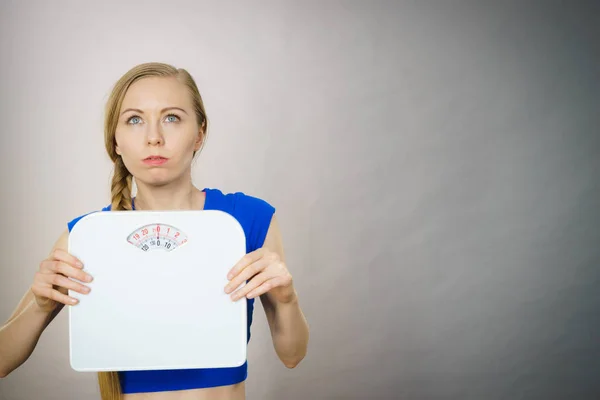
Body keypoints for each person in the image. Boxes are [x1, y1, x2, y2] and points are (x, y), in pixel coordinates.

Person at [0, 62, 310, 399]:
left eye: (172, 117)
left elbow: (292, 356)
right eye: (134, 120)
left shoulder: (248, 220)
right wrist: (41, 307)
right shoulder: (87, 237)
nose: (153, 138)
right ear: (115, 141)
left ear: (200, 134)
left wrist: (286, 298)